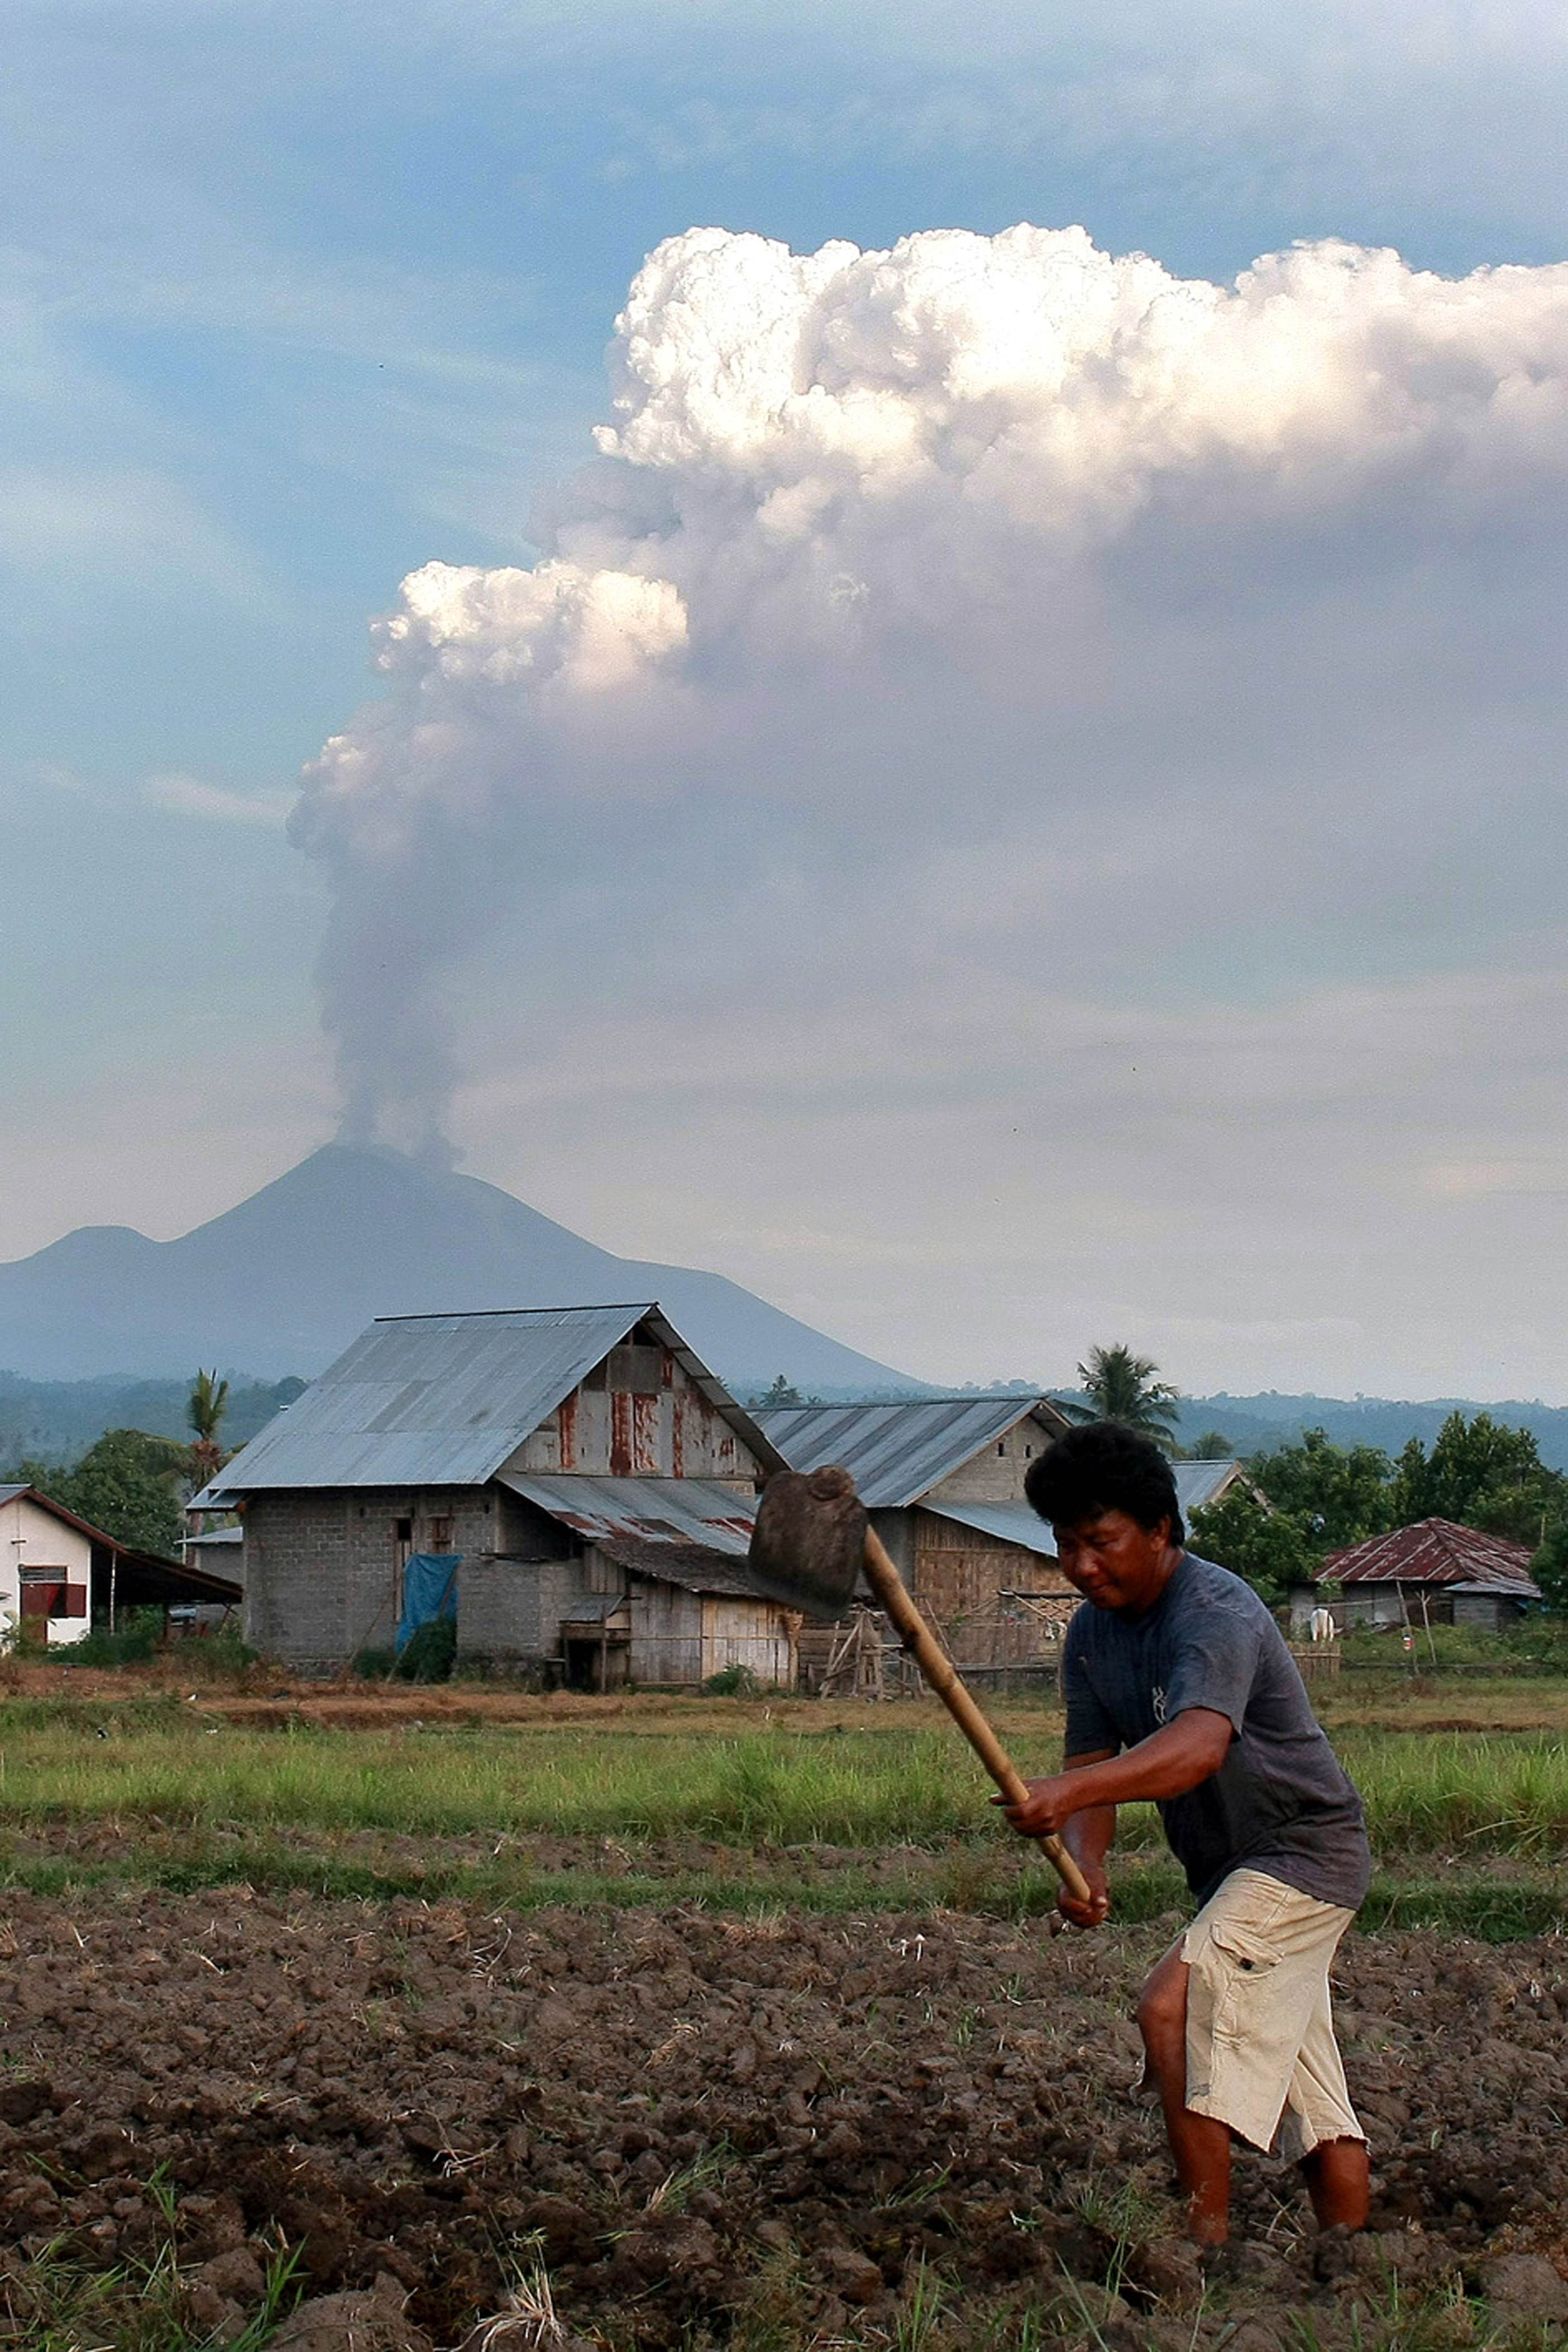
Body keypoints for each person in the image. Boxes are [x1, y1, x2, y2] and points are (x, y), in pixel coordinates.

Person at [1002, 1421, 1370, 2247]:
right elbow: (1093, 1754)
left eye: (1101, 1542)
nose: (1081, 1567)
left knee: (1173, 2005)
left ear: (1162, 1529)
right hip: (1230, 1872)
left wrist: (1065, 1795)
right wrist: (1085, 1863)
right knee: (1316, 2108)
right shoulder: (1094, 1636)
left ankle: (1201, 2248)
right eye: (1066, 1546)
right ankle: (1355, 2271)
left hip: (1303, 1854)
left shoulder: (1213, 1612)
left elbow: (1197, 1748)